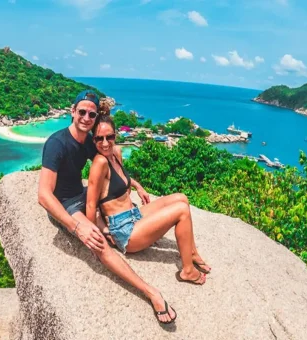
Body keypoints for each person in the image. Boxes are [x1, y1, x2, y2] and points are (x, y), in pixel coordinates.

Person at [38, 90, 177, 324]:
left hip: (82, 195)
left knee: (113, 213)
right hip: (66, 206)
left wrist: (136, 184)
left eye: (91, 114)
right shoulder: (57, 143)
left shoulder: (88, 142)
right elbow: (43, 195)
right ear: (72, 112)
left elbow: (111, 166)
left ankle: (116, 232)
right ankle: (151, 292)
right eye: (81, 112)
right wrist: (76, 226)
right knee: (99, 244)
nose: (86, 117)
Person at [85, 111, 211, 286]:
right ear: (93, 140)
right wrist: (95, 244)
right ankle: (187, 271)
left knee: (181, 198)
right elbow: (91, 204)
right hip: (125, 232)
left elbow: (120, 179)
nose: (105, 143)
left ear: (115, 135)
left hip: (134, 215)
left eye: (109, 137)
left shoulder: (115, 153)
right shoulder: (100, 163)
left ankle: (192, 252)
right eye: (99, 139)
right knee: (181, 211)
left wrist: (137, 185)